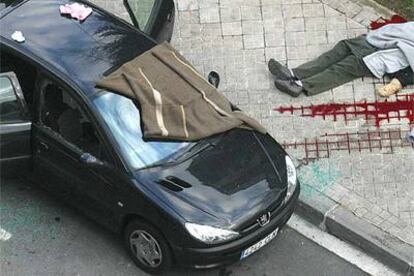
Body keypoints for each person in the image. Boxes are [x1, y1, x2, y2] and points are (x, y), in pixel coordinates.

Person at [268, 22, 414, 97]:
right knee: (338, 50)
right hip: (374, 42)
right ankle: (293, 73)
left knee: (340, 69)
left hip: (379, 57)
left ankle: (300, 85)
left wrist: (399, 80)